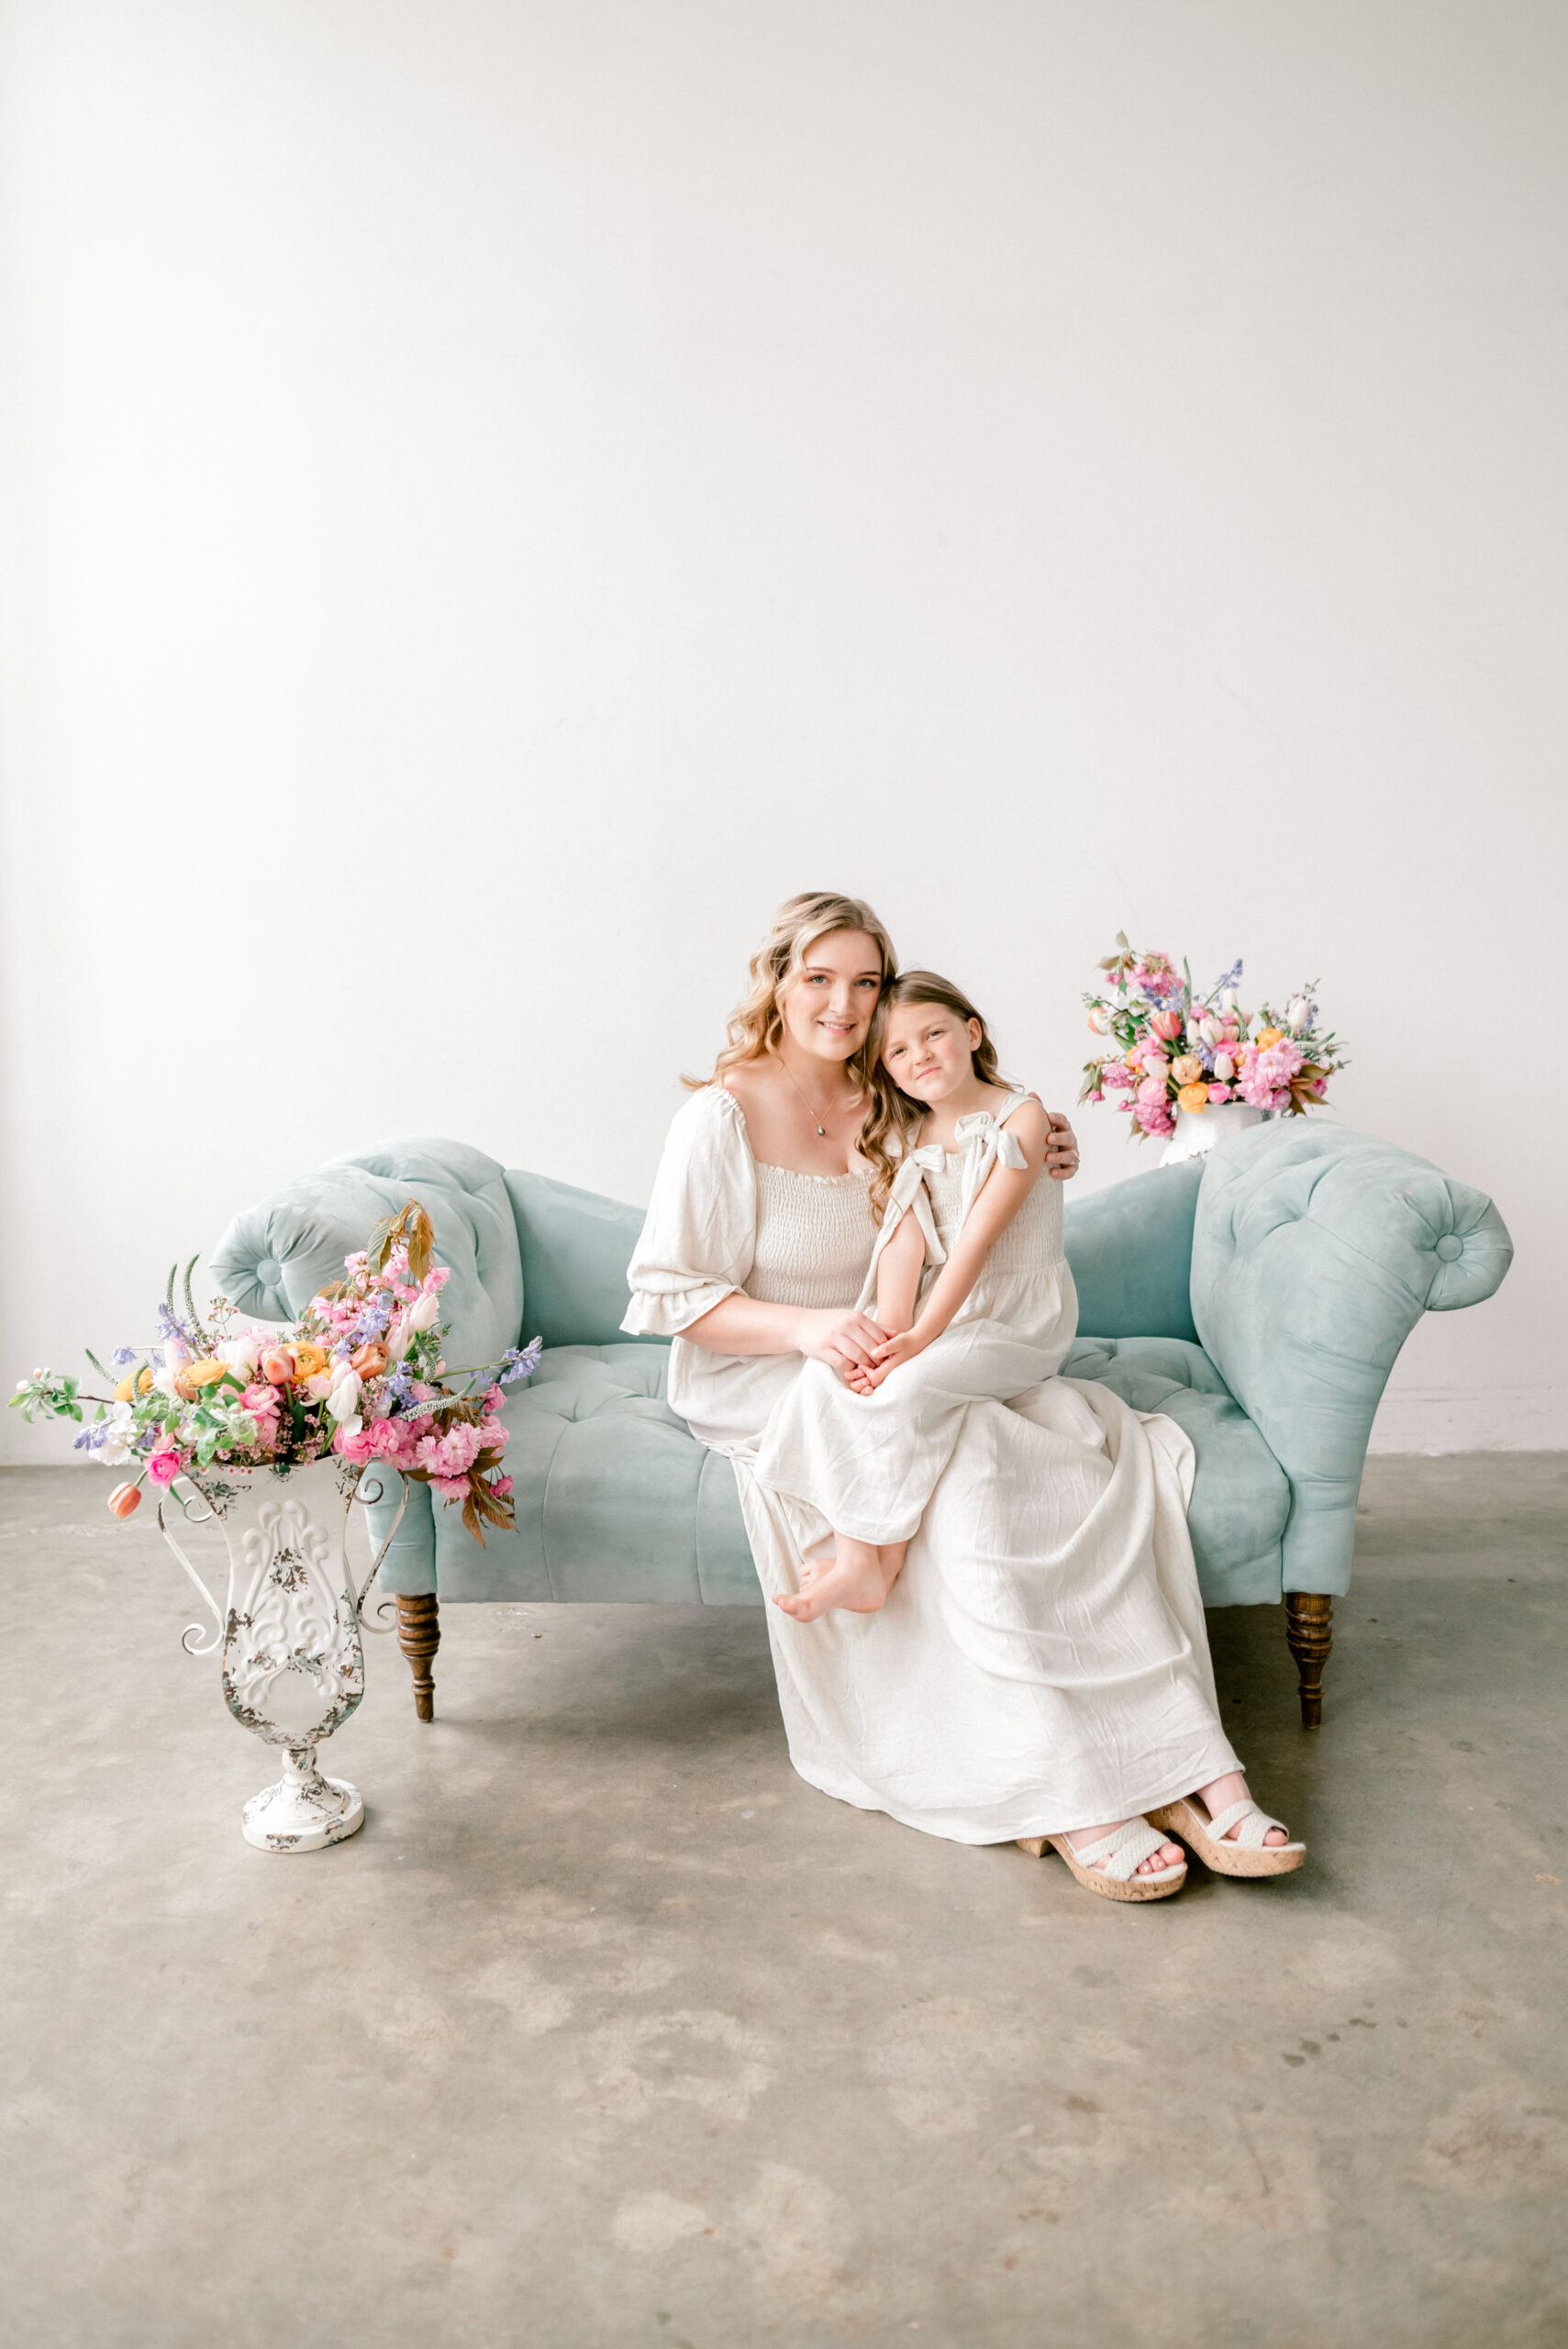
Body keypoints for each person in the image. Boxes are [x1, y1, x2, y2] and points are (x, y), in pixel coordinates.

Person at [622, 891, 1304, 1901]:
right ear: (776, 980)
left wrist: (1044, 1150)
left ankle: (1175, 1760)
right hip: (768, 1364)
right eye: (818, 978)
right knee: (968, 1463)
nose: (843, 1005)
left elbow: (983, 1157)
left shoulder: (896, 1094)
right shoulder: (720, 1114)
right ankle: (1072, 1786)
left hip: (902, 1354)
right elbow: (673, 1296)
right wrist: (812, 1331)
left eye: (863, 982)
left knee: (1017, 1454)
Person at [754, 971, 1075, 1623]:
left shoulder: (1023, 1116)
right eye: (897, 1051)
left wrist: (919, 1342)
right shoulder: (907, 1135)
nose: (919, 1055)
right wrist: (889, 1332)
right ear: (885, 1070)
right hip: (935, 1308)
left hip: (1012, 1315)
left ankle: (871, 1561)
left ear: (972, 1031)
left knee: (906, 1387)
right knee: (839, 1376)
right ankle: (865, 1560)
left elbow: (976, 1244)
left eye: (933, 1034)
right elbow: (903, 1244)